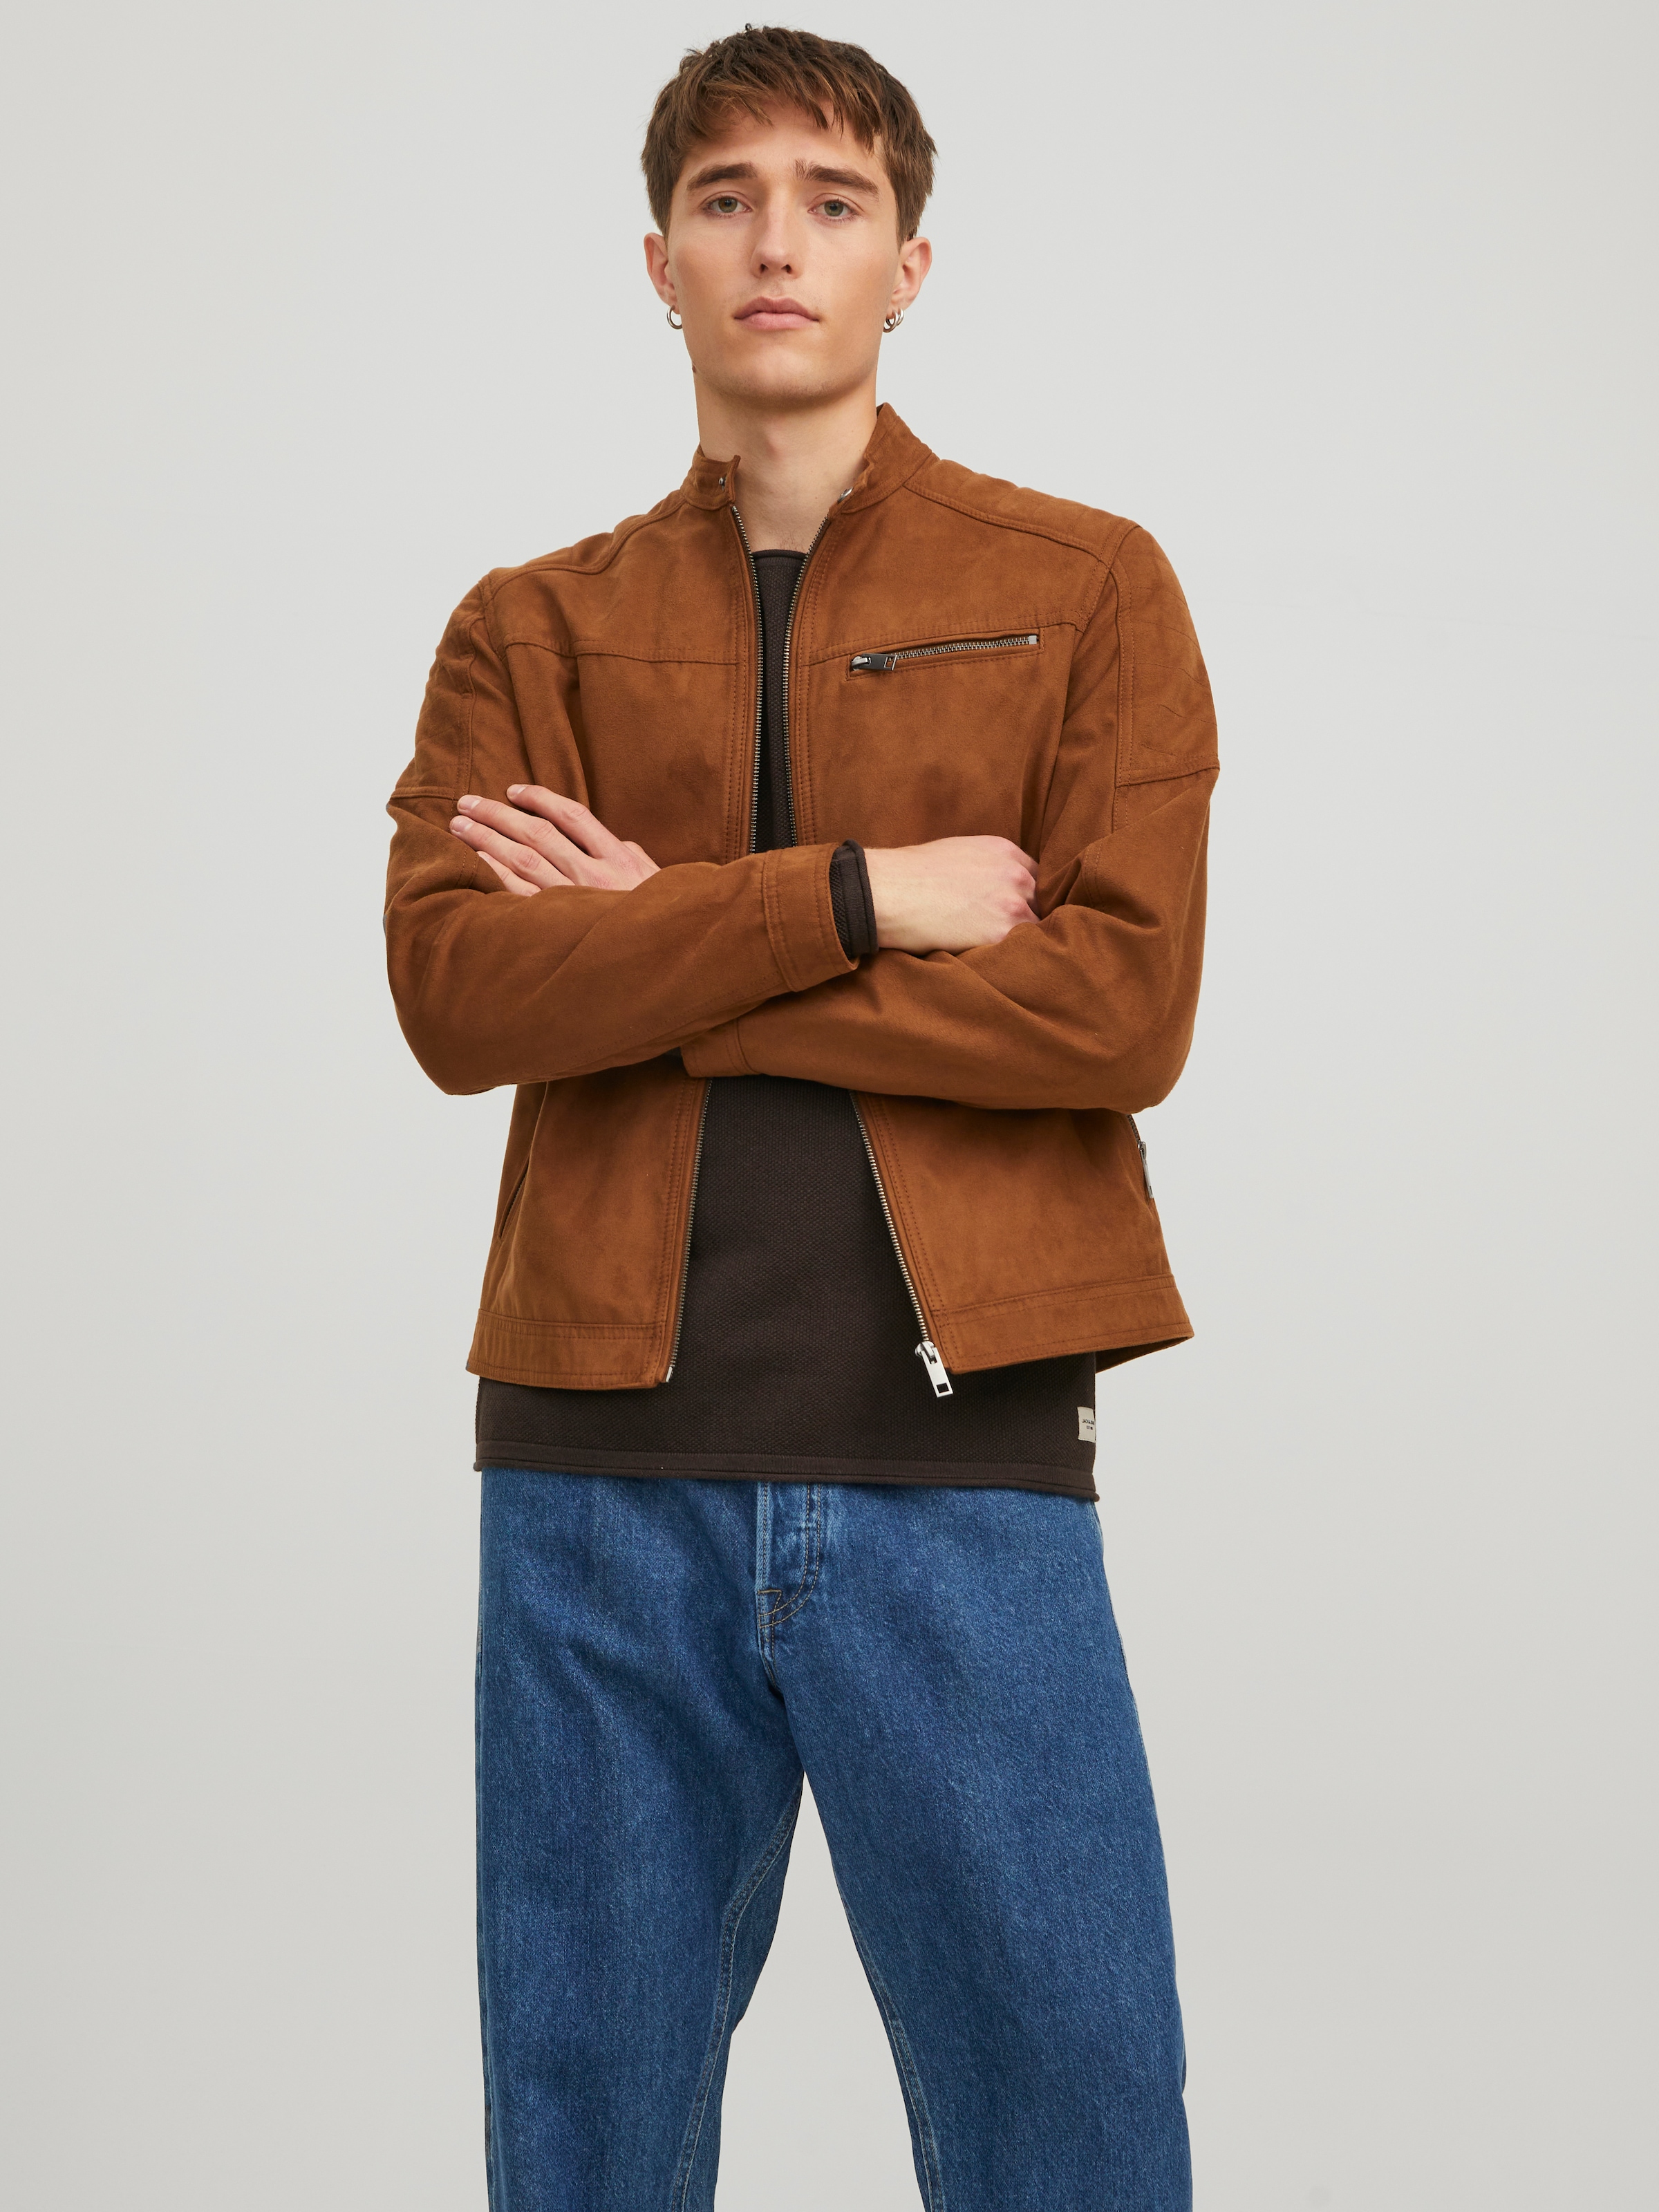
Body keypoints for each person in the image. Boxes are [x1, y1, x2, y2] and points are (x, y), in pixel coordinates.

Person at [385, 26, 1216, 2211]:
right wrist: (853, 898)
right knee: (585, 2154)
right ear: (658, 258)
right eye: (727, 198)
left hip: (964, 1472)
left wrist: (665, 959)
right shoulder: (529, 632)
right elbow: (460, 995)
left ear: (908, 264)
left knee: (1072, 2149)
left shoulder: (1089, 587)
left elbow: (1118, 1008)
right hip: (592, 1483)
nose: (778, 242)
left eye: (833, 202)